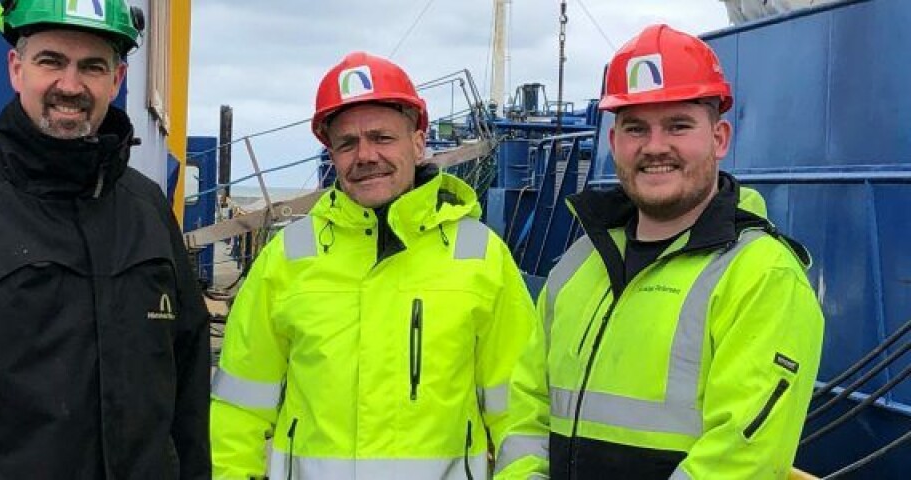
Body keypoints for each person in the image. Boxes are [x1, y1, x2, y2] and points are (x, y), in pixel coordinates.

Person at [495, 24, 824, 479]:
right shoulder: (577, 265)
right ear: (614, 143)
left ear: (720, 138)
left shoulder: (763, 276)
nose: (654, 147)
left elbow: (740, 459)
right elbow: (526, 409)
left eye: (678, 125)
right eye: (635, 128)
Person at [210, 51, 538, 479]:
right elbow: (238, 411)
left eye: (382, 138)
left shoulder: (480, 257)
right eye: (347, 143)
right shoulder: (287, 259)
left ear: (418, 142)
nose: (365, 156)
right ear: (332, 154)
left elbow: (521, 414)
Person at [0, 1, 210, 478]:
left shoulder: (147, 206)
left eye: (92, 66)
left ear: (116, 80)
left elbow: (188, 377)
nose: (70, 86)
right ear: (16, 69)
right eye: (51, 60)